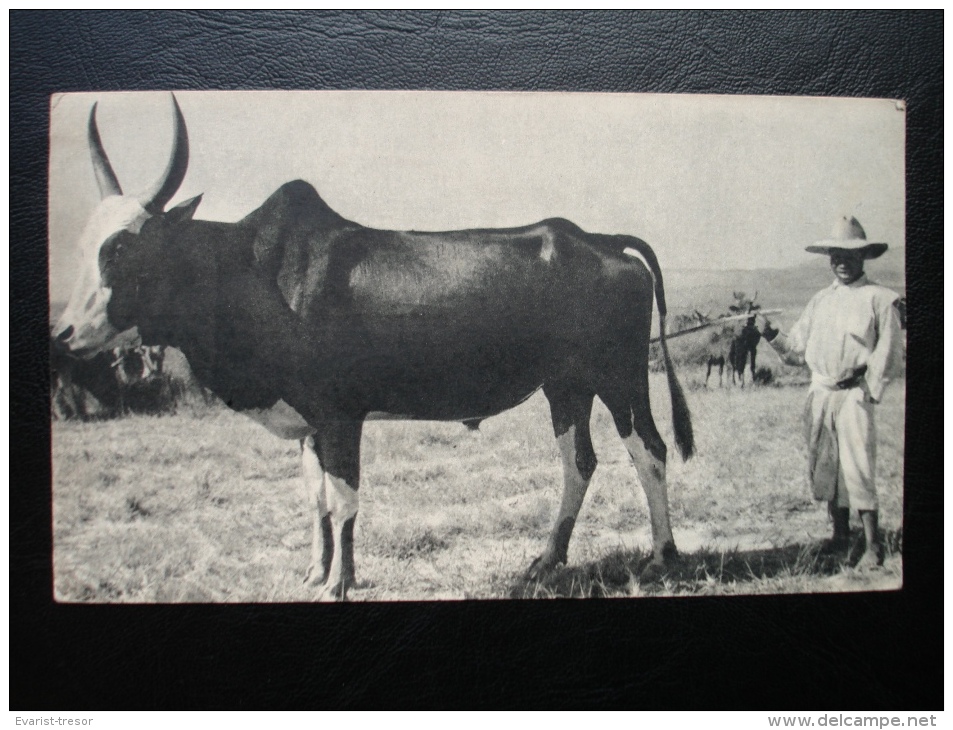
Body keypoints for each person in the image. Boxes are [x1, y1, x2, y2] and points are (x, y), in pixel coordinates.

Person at [759, 216, 904, 569]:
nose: (841, 261)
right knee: (827, 466)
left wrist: (870, 392)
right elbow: (795, 352)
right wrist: (769, 333)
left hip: (855, 394)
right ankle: (840, 537)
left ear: (864, 257)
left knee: (858, 468)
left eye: (849, 255)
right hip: (820, 392)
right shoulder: (820, 301)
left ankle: (873, 546)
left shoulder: (881, 300)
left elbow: (888, 353)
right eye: (835, 254)